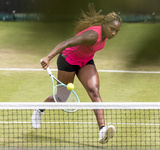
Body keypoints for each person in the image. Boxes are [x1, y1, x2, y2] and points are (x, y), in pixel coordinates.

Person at [31, 3, 122, 144]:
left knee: (94, 91)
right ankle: (39, 110)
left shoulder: (103, 31)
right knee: (61, 98)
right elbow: (67, 42)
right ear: (105, 25)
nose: (114, 33)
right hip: (68, 60)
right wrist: (48, 57)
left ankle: (102, 129)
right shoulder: (92, 35)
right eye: (112, 29)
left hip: (85, 61)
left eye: (117, 31)